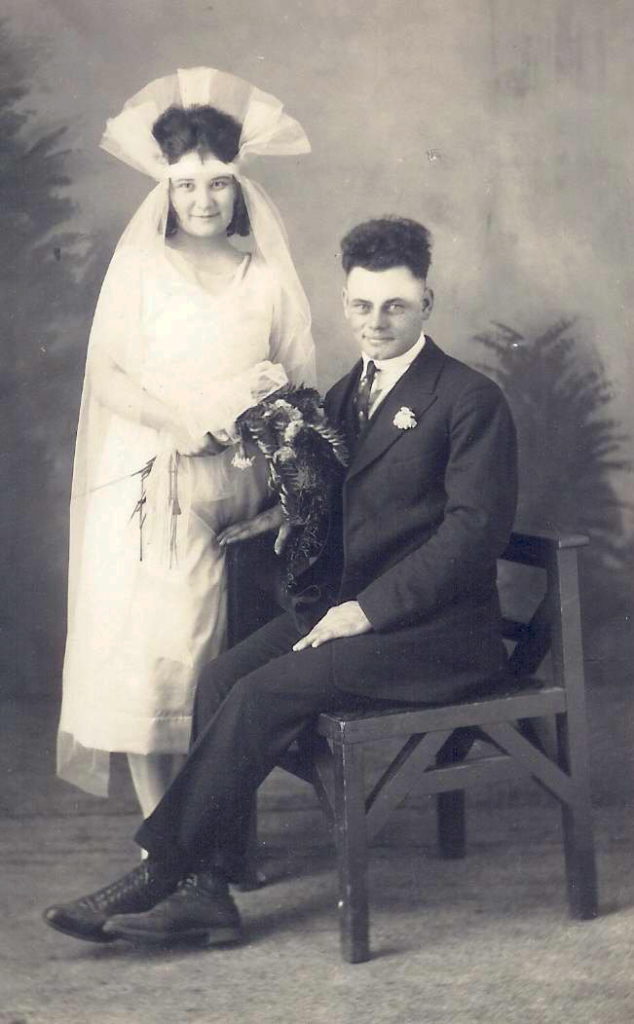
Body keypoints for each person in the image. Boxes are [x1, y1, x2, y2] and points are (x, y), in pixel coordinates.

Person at [44, 216, 518, 948]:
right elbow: (328, 493)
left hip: (436, 636)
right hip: (353, 613)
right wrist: (276, 514)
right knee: (222, 676)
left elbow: (470, 536)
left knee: (264, 691)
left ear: (429, 300)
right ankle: (212, 882)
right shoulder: (344, 394)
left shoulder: (468, 398)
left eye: (394, 305)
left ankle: (162, 870)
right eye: (361, 307)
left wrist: (364, 611)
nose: (376, 323)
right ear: (345, 303)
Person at [56, 68, 315, 817]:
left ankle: (215, 833)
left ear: (240, 189)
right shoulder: (143, 268)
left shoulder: (265, 277)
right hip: (154, 487)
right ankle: (162, 834)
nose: (204, 201)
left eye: (219, 184)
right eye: (187, 185)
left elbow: (299, 389)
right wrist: (176, 422)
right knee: (154, 660)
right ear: (164, 192)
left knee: (219, 666)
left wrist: (272, 453)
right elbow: (105, 373)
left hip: (244, 496)